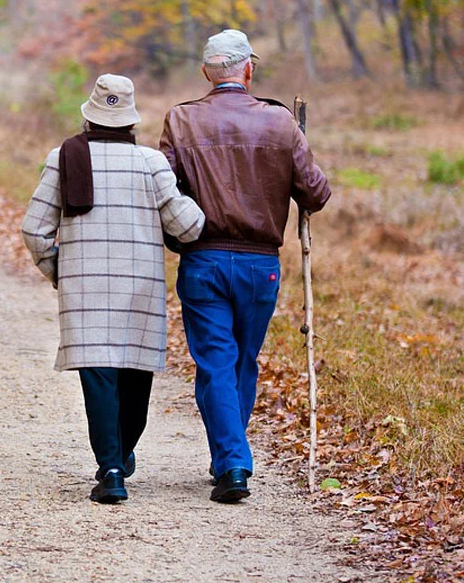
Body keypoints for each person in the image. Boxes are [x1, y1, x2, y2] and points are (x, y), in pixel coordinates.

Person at [159, 29, 331, 503]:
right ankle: (231, 460)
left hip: (203, 258)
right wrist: (296, 147)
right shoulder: (279, 122)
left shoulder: (181, 119)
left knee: (216, 361)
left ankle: (230, 461)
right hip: (260, 266)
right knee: (241, 361)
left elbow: (161, 188)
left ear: (205, 73)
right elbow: (316, 193)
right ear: (248, 70)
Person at [21, 74, 205, 504]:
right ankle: (120, 456)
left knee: (98, 376)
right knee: (134, 375)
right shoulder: (151, 163)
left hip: (84, 290)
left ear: (89, 117)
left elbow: (34, 230)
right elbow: (188, 227)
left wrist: (59, 271)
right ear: (131, 123)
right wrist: (194, 198)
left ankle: (112, 469)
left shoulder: (62, 158)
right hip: (139, 287)